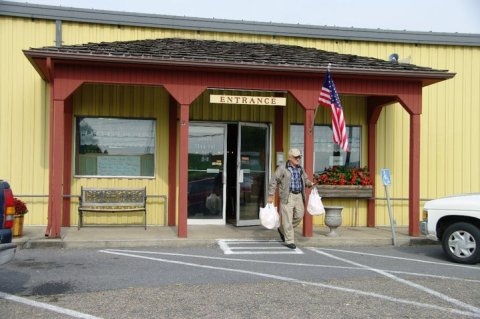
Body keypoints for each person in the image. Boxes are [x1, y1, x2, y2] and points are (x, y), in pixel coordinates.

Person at [267, 148, 314, 249]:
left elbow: (305, 179)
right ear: (290, 157)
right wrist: (271, 195)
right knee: (287, 219)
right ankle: (289, 241)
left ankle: (282, 229)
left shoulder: (300, 168)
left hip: (299, 196)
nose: (298, 159)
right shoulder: (282, 168)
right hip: (287, 196)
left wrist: (309, 183)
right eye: (296, 157)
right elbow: (274, 181)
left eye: (299, 157)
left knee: (299, 216)